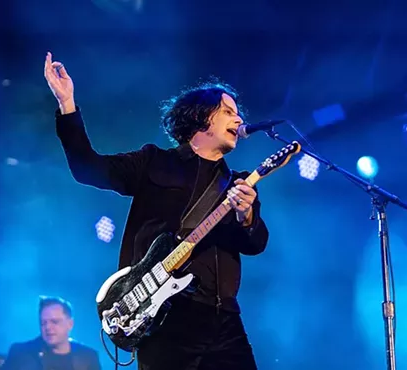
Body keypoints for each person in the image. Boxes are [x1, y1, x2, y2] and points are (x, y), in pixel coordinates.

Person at [45, 51, 269, 370]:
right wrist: (67, 104)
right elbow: (87, 168)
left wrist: (246, 215)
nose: (239, 120)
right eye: (228, 112)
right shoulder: (154, 162)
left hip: (224, 321)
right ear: (202, 117)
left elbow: (256, 243)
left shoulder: (239, 184)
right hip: (164, 317)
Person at [1, 296, 101, 370]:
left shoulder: (88, 357)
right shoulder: (21, 353)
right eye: (43, 323)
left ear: (70, 324)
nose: (48, 327)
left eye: (54, 322)